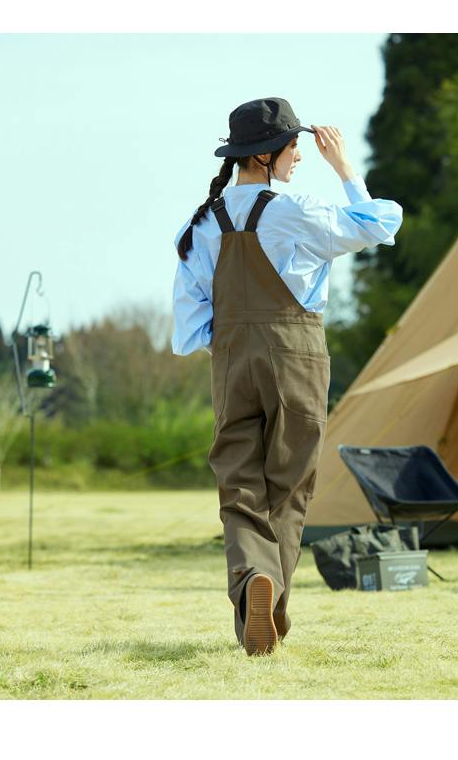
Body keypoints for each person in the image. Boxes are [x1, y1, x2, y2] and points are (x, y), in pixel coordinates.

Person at [171, 97, 403, 656]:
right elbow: (379, 224)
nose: (299, 156)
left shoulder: (200, 224)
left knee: (239, 483)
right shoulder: (295, 209)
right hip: (296, 355)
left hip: (231, 358)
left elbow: (188, 324)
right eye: (294, 147)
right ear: (267, 155)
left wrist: (233, 343)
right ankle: (271, 605)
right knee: (291, 483)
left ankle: (254, 578)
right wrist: (344, 168)